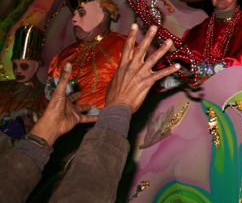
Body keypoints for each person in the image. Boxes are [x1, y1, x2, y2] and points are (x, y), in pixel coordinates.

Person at [0, 23, 179, 203]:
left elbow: (7, 188)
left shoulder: (116, 43)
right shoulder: (67, 54)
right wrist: (117, 111)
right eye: (15, 66)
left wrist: (41, 137)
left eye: (23, 65)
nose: (76, 19)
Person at [47, 0, 127, 111]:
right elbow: (49, 94)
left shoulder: (123, 46)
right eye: (74, 14)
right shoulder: (65, 54)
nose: (74, 19)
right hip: (66, 125)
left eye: (82, 13)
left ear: (102, 16)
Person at [0, 24, 47, 140]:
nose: (18, 71)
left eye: (24, 66)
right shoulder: (2, 87)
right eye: (15, 66)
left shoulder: (45, 95)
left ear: (36, 65)